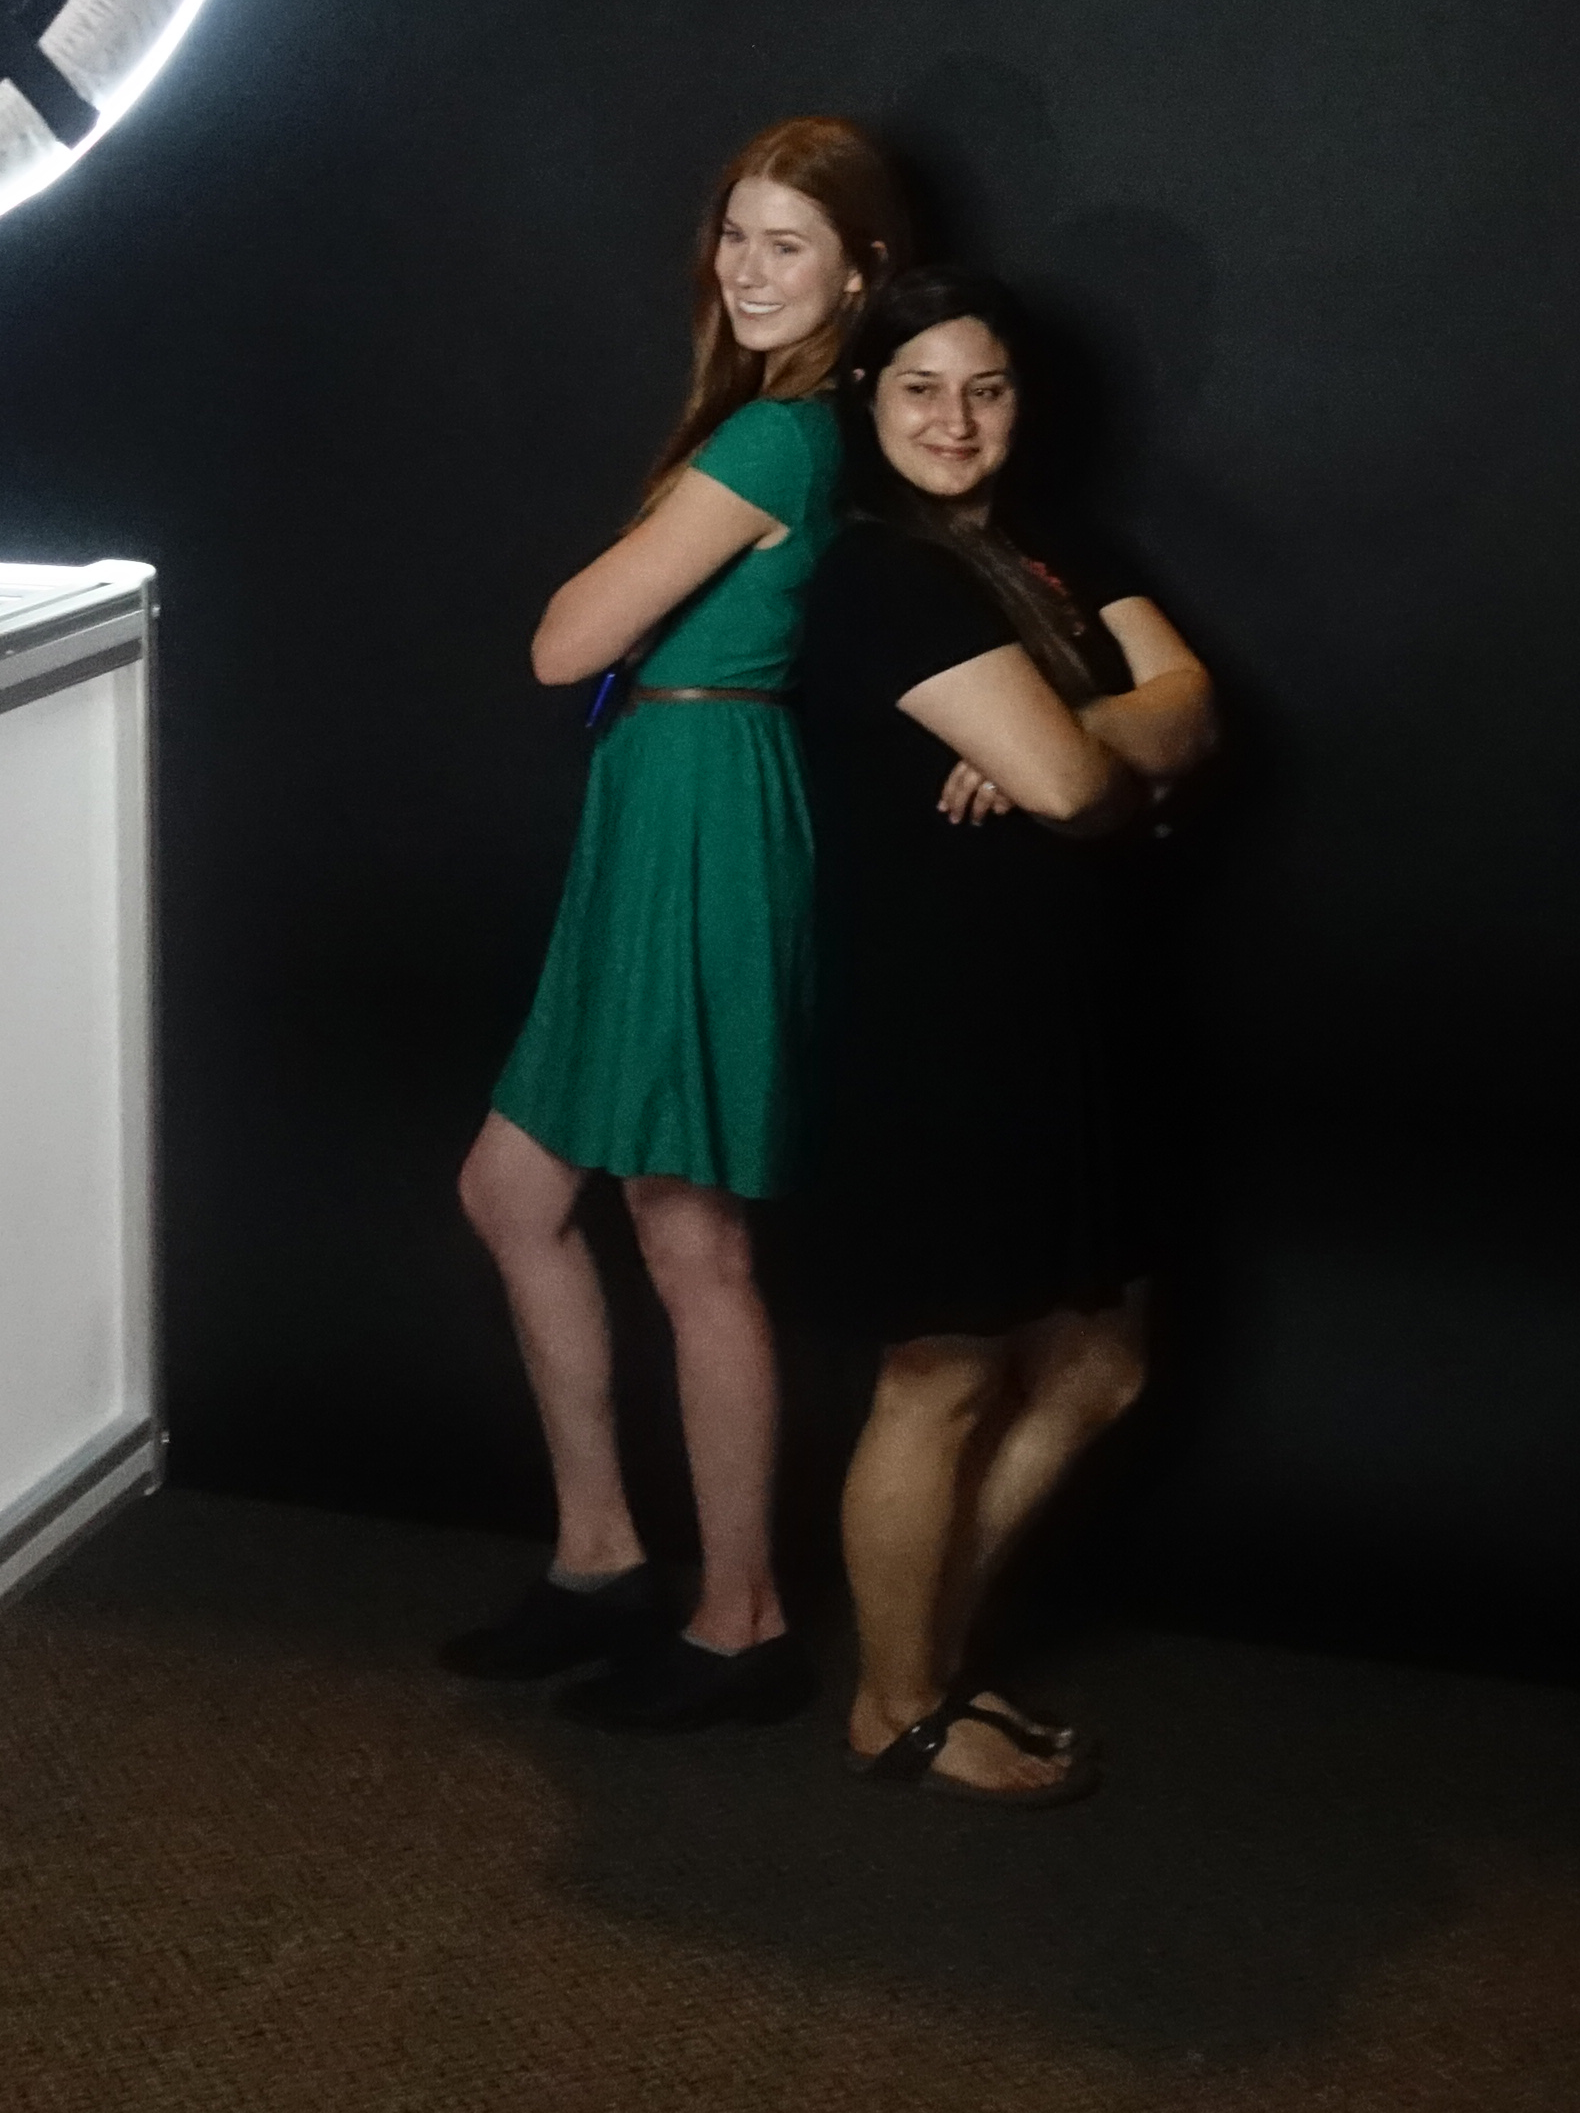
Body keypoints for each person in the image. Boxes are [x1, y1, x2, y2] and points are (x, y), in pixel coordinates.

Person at [440, 115, 914, 1732]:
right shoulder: (773, 422)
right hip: (662, 799)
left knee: (691, 1238)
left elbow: (566, 641)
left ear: (860, 272)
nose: (750, 269)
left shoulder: (782, 437)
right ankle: (600, 1559)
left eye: (790, 244)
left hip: (709, 810)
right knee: (514, 1191)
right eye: (736, 234)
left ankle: (743, 1620)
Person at [794, 264, 1218, 1805]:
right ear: (870, 403)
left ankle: (930, 1654)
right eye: (920, 390)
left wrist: (1071, 728)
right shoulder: (878, 577)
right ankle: (899, 1707)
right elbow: (1081, 795)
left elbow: (1194, 706)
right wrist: (1088, 753)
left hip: (1074, 1019)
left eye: (985, 390)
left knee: (1100, 1363)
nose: (956, 421)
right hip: (943, 1033)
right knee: (946, 1374)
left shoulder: (1050, 550)